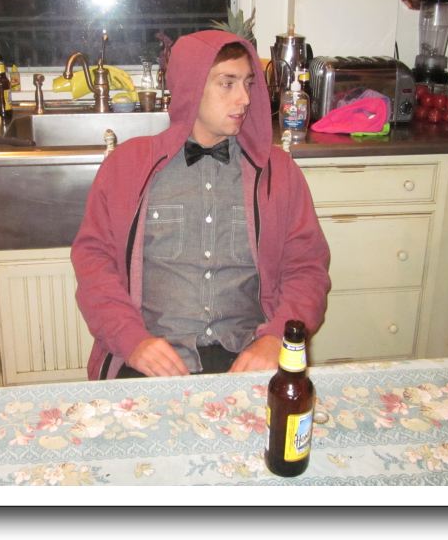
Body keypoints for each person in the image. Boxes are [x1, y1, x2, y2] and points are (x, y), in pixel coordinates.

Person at [72, 30, 331, 379]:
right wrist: (132, 341)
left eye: (248, 83)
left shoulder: (279, 173)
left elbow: (307, 269)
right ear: (191, 86)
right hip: (149, 357)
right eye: (227, 83)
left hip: (250, 354)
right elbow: (94, 265)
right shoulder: (127, 167)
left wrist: (277, 339)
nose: (245, 98)